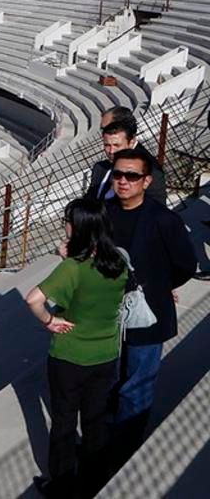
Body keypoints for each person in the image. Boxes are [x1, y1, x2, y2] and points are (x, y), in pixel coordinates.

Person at [26, 199, 126, 498]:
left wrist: (49, 322)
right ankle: (94, 478)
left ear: (79, 227)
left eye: (67, 221)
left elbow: (33, 299)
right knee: (95, 419)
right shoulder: (119, 261)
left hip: (70, 356)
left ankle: (63, 484)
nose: (65, 226)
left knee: (65, 422)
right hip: (106, 352)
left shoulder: (73, 267)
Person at [106, 148, 197, 464]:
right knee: (111, 381)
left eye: (132, 176)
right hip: (109, 317)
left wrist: (160, 286)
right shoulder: (103, 213)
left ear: (146, 181)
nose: (123, 181)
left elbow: (186, 264)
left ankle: (123, 452)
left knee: (137, 386)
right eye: (118, 174)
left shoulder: (164, 219)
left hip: (149, 315)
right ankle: (107, 441)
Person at [85, 109, 165, 203]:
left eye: (106, 128)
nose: (111, 151)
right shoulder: (101, 167)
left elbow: (155, 211)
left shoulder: (150, 170)